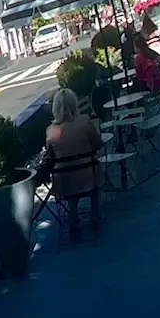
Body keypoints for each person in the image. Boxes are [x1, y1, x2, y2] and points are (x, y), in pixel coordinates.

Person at [45, 88, 103, 233]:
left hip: (65, 183)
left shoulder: (50, 131)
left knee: (71, 177)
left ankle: (73, 215)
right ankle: (94, 214)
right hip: (90, 177)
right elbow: (97, 145)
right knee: (91, 170)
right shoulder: (85, 121)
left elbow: (50, 157)